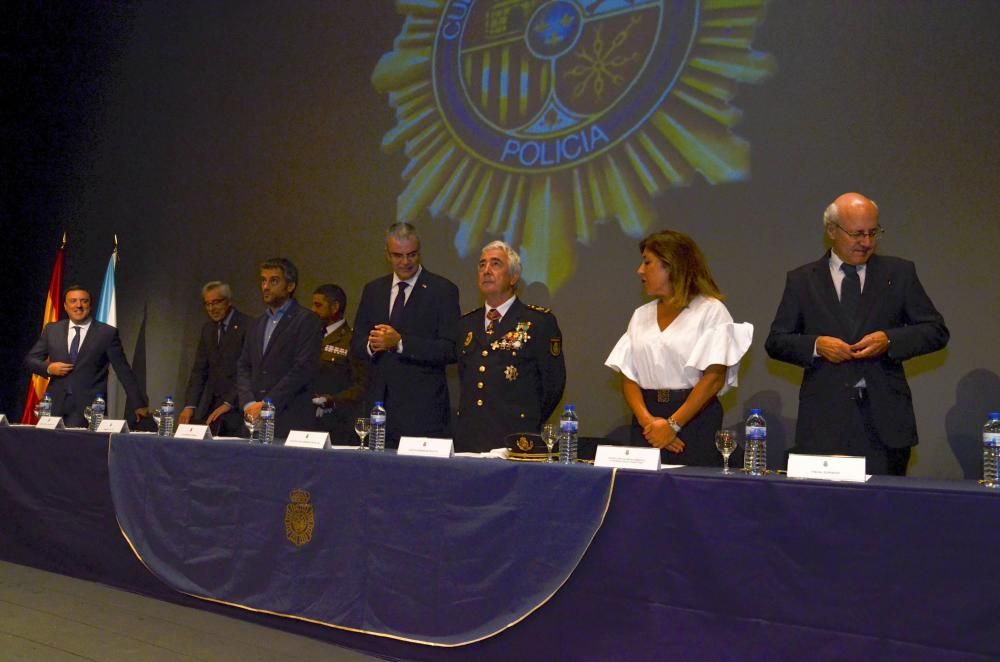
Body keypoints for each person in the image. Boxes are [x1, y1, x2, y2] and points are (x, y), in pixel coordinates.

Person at [764, 192, 949, 475]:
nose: (867, 243)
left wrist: (889, 340)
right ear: (831, 231)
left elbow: (936, 331)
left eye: (873, 233)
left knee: (884, 511)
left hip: (885, 421)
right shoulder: (802, 280)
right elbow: (776, 341)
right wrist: (816, 345)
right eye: (857, 234)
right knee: (826, 512)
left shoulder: (899, 273)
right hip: (824, 420)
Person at [605, 231, 752, 466]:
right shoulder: (640, 315)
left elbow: (714, 378)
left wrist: (672, 425)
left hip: (694, 417)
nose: (640, 271)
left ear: (672, 265)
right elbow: (628, 375)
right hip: (647, 421)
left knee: (689, 493)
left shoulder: (710, 310)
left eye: (647, 262)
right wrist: (648, 423)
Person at [351, 222, 460, 447]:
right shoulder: (374, 290)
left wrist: (400, 343)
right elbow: (356, 345)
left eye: (411, 255)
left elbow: (450, 349)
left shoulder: (442, 290)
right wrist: (373, 345)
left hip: (423, 412)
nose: (405, 262)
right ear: (387, 255)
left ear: (419, 252)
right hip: (379, 410)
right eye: (398, 255)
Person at [454, 241, 566, 453]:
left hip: (515, 438)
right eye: (482, 265)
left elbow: (553, 384)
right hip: (469, 439)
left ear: (514, 277)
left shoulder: (539, 322)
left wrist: (527, 420)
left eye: (495, 264)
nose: (486, 270)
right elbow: (465, 376)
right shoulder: (466, 324)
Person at [25, 285, 148, 426]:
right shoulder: (52, 330)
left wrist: (138, 403)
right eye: (73, 301)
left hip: (88, 409)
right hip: (53, 405)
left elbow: (123, 369)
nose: (78, 305)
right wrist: (48, 368)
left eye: (84, 301)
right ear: (65, 306)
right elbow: (30, 360)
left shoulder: (106, 333)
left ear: (90, 305)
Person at [237, 258, 323, 439]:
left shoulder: (307, 321)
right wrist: (248, 403)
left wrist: (267, 404)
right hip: (253, 418)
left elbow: (302, 369)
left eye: (274, 281)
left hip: (289, 418)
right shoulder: (256, 323)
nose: (266, 287)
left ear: (290, 286)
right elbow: (244, 366)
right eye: (263, 280)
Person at [178, 281, 250, 436]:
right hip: (210, 407)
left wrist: (229, 402)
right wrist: (190, 405)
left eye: (216, 302)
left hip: (237, 408)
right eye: (207, 304)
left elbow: (247, 371)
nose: (211, 309)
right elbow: (199, 371)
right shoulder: (208, 329)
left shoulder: (247, 326)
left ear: (228, 301)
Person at [310, 283, 367, 444]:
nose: (312, 310)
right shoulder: (310, 336)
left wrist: (333, 400)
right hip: (307, 420)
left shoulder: (352, 341)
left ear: (335, 307)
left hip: (337, 423)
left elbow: (361, 385)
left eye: (318, 305)